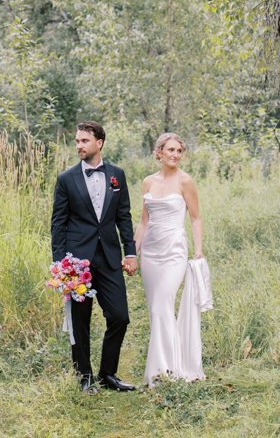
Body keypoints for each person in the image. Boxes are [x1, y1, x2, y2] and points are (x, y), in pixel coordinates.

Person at [50, 121, 138, 394]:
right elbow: (58, 223)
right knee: (80, 321)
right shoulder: (66, 179)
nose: (79, 146)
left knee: (120, 316)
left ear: (99, 142)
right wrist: (61, 264)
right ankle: (84, 376)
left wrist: (130, 251)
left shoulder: (117, 175)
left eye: (84, 141)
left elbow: (123, 216)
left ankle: (108, 374)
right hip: (77, 261)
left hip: (110, 257)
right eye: (77, 141)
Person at [135, 132, 210, 387]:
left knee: (162, 305)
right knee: (156, 310)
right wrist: (133, 252)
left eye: (179, 151)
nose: (175, 155)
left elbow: (196, 218)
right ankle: (162, 368)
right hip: (150, 255)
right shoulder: (148, 182)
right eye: (171, 150)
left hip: (174, 251)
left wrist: (198, 249)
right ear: (159, 152)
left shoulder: (185, 181)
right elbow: (144, 222)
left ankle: (168, 371)